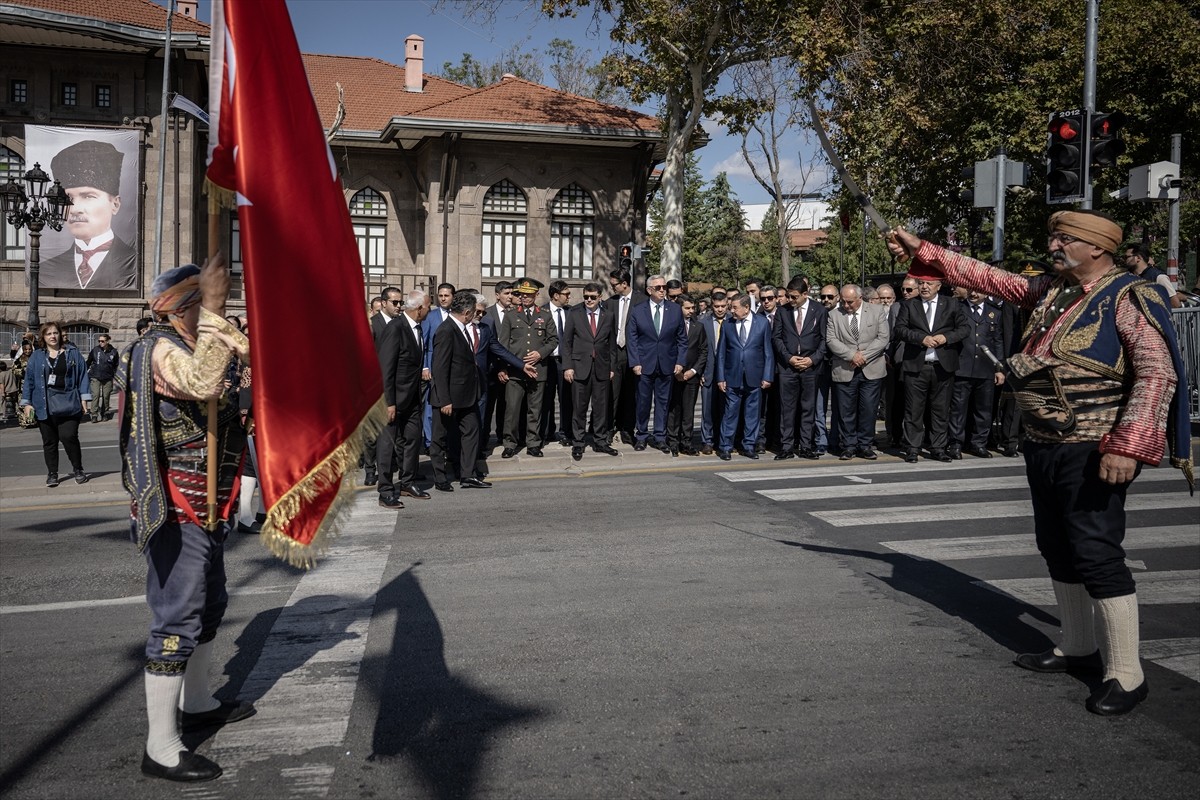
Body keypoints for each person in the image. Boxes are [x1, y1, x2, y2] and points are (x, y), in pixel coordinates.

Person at [888, 210, 1189, 716]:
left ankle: (1126, 672)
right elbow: (989, 277)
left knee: (1096, 550)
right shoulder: (1053, 289)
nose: (1054, 245)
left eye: (1064, 239)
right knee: (1055, 544)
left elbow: (1157, 375)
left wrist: (1127, 445)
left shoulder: (1129, 293)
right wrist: (924, 249)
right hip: (1043, 439)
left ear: (1098, 248)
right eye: (1054, 237)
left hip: (1095, 444)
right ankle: (1077, 646)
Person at [113, 256, 255, 781]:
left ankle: (195, 705)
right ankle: (161, 746)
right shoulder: (158, 349)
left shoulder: (198, 340)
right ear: (183, 307)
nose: (216, 313)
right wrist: (217, 310)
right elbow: (202, 384)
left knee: (209, 605)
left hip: (210, 503)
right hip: (176, 505)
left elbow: (243, 369)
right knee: (176, 618)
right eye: (203, 304)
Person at [41, 140, 137, 290]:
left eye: (88, 196)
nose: (74, 209)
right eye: (67, 198)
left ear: (115, 204)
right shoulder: (45, 270)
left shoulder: (136, 264)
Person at [893, 271, 968, 462]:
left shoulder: (952, 304)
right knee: (913, 410)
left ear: (938, 286)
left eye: (929, 283)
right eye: (921, 283)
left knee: (941, 410)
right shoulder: (910, 305)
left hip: (942, 366)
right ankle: (912, 448)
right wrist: (921, 338)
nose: (924, 287)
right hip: (916, 366)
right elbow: (900, 330)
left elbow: (964, 329)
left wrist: (946, 338)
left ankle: (938, 448)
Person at [429, 290, 492, 491]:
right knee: (439, 438)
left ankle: (467, 475)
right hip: (447, 397)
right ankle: (440, 478)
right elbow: (439, 367)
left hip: (467, 396)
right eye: (474, 312)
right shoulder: (446, 330)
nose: (475, 315)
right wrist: (445, 399)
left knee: (472, 432)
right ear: (466, 312)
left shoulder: (463, 328)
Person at [19, 322, 91, 486]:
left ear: (60, 335)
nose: (52, 336)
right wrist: (27, 403)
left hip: (69, 402)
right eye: (48, 334)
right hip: (44, 403)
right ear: (43, 337)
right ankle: (52, 474)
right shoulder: (37, 356)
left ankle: (78, 469)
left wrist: (84, 399)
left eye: (55, 333)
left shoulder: (72, 353)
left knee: (69, 436)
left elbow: (82, 376)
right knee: (49, 441)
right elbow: (29, 380)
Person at [376, 289, 430, 507]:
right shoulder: (396, 328)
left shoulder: (417, 328)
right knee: (387, 447)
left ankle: (407, 482)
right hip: (394, 400)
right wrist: (388, 402)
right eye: (428, 306)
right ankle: (386, 490)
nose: (429, 310)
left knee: (412, 441)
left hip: (413, 399)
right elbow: (386, 367)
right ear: (419, 309)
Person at [826, 284, 890, 460]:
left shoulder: (876, 311)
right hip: (845, 369)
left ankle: (865, 444)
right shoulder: (834, 315)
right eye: (844, 301)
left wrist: (863, 356)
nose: (846, 306)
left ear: (860, 298)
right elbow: (831, 340)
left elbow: (883, 337)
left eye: (850, 302)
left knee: (868, 409)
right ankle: (848, 445)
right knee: (846, 411)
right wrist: (852, 355)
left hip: (871, 369)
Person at [626, 273, 688, 452]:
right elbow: (633, 338)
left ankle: (660, 436)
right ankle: (642, 435)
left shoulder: (675, 309)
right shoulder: (638, 310)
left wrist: (680, 361)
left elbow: (682, 339)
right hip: (645, 364)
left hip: (667, 364)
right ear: (649, 290)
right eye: (658, 288)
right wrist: (635, 362)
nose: (663, 290)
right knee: (643, 402)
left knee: (663, 402)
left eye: (664, 287)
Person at [498, 277, 557, 458]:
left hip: (538, 369)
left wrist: (540, 353)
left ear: (536, 295)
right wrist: (503, 367)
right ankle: (510, 443)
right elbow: (503, 344)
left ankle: (533, 443)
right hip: (516, 371)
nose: (524, 297)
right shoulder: (511, 315)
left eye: (528, 294)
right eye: (522, 294)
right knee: (512, 409)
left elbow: (554, 339)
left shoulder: (545, 315)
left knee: (535, 409)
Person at [560, 282, 619, 461]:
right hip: (579, 367)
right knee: (579, 407)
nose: (589, 300)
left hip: (601, 367)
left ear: (600, 297)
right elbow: (567, 343)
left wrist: (611, 368)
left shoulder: (608, 315)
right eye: (586, 297)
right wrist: (568, 366)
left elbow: (612, 344)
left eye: (593, 297)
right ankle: (578, 442)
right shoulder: (574, 314)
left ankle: (600, 440)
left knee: (600, 407)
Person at [773, 275, 826, 460]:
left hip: (810, 368)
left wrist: (813, 360)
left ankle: (806, 445)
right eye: (788, 296)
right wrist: (788, 358)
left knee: (808, 408)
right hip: (788, 368)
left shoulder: (819, 310)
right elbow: (777, 338)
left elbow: (824, 339)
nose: (790, 300)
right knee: (787, 408)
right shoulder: (783, 311)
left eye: (794, 296)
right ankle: (787, 446)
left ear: (805, 294)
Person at [715, 295, 774, 460]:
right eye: (731, 307)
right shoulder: (728, 324)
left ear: (746, 307)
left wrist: (767, 376)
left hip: (754, 376)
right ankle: (725, 447)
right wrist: (720, 378)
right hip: (732, 377)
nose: (731, 310)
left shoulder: (762, 323)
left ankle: (749, 446)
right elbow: (721, 354)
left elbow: (768, 352)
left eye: (735, 307)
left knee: (752, 414)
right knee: (729, 414)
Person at [949, 288, 1005, 459]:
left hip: (985, 367)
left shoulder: (994, 312)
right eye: (971, 291)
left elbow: (997, 341)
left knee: (983, 410)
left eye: (978, 291)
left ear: (986, 292)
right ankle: (955, 444)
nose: (973, 294)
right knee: (958, 409)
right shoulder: (958, 308)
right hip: (962, 366)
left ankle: (978, 443)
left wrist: (999, 368)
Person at [607, 268, 646, 445]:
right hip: (615, 352)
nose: (612, 287)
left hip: (634, 353)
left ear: (624, 284)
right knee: (612, 393)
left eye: (614, 284)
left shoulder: (641, 301)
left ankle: (628, 429)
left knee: (631, 393)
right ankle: (610, 428)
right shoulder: (610, 303)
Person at [665, 294, 708, 456]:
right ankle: (673, 441)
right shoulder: (670, 326)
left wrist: (693, 371)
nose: (691, 311)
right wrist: (675, 370)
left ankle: (687, 442)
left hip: (691, 375)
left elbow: (703, 351)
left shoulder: (699, 326)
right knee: (674, 409)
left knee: (688, 410)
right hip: (674, 374)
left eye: (693, 308)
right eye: (687, 308)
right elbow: (665, 349)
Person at [542, 280, 574, 447]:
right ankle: (547, 431)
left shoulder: (571, 312)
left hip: (565, 361)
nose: (569, 297)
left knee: (566, 398)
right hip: (547, 361)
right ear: (556, 295)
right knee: (546, 398)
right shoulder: (542, 311)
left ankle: (565, 432)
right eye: (566, 294)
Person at [1123, 243, 1181, 308]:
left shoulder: (1158, 277)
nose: (1124, 260)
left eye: (1127, 257)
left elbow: (1175, 304)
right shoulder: (1128, 277)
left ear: (1138, 258)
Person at [86, 332, 119, 422]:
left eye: (102, 341)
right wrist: (85, 373)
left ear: (107, 341)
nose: (100, 342)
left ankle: (105, 413)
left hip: (108, 377)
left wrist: (115, 377)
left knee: (106, 396)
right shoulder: (95, 350)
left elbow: (116, 365)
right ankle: (94, 414)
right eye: (99, 341)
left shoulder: (114, 351)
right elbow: (88, 362)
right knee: (96, 395)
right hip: (95, 376)